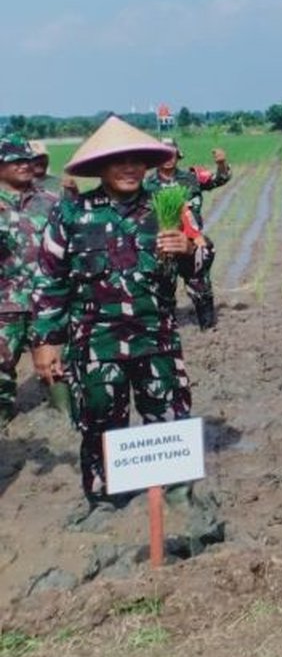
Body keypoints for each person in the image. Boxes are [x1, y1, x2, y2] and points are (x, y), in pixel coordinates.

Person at [31, 116, 212, 505]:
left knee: (167, 416)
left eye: (136, 160)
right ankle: (104, 500)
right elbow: (50, 279)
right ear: (99, 167)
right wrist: (47, 342)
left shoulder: (168, 207)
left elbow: (202, 260)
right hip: (96, 342)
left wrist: (190, 248)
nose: (129, 168)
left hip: (156, 338)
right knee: (99, 421)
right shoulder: (72, 214)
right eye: (118, 161)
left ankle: (176, 499)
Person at [0, 135, 67, 422]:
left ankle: (65, 419)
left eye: (27, 159)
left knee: (57, 370)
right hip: (4, 306)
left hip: (46, 303)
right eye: (15, 160)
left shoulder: (50, 201)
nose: (24, 165)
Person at [142, 139, 231, 330]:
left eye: (171, 153)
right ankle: (165, 329)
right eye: (163, 154)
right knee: (163, 289)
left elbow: (220, 179)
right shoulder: (147, 185)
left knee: (200, 286)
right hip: (164, 246)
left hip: (192, 243)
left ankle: (207, 327)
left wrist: (221, 163)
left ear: (177, 154)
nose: (168, 158)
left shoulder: (192, 177)